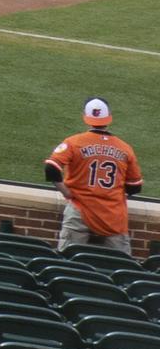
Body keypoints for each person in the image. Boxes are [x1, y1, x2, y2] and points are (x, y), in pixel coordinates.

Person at [47, 98, 141, 253]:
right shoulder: (125, 148)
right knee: (121, 265)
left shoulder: (74, 142)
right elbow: (135, 187)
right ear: (109, 116)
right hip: (113, 215)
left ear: (85, 116)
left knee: (67, 261)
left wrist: (66, 192)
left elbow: (51, 168)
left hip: (79, 210)